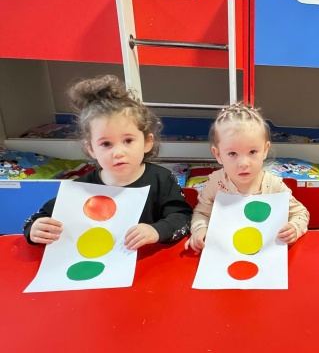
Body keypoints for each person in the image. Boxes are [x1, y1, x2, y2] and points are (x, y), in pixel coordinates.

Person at [23, 75, 192, 249]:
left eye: (128, 140)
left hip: (151, 260)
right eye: (106, 144)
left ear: (147, 142)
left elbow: (183, 218)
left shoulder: (162, 179)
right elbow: (36, 219)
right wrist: (34, 229)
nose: (118, 153)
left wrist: (156, 231)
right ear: (91, 149)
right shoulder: (80, 188)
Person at [186, 102, 309, 253]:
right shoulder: (215, 183)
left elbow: (300, 213)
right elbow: (201, 213)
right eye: (232, 153)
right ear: (218, 154)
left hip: (264, 254)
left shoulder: (274, 185)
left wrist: (294, 228)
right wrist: (200, 229)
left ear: (265, 150)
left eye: (252, 152)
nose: (243, 163)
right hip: (225, 253)